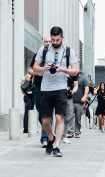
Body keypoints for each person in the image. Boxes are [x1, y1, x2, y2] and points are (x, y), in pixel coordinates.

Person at [33, 26, 79, 157]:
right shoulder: (44, 49)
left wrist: (62, 70)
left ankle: (56, 146)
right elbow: (34, 68)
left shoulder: (69, 51)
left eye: (57, 40)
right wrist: (43, 69)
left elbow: (75, 70)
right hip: (46, 88)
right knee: (45, 120)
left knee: (59, 118)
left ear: (62, 38)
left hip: (60, 88)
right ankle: (51, 138)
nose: (54, 42)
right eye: (52, 39)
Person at [28, 36, 52, 147]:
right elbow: (29, 70)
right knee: (41, 114)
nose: (48, 43)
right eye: (46, 41)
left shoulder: (55, 57)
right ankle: (49, 133)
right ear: (42, 42)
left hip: (51, 88)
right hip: (38, 88)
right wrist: (38, 72)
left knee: (47, 114)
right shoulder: (38, 55)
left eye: (49, 41)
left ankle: (45, 138)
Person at [71, 71, 89, 138]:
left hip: (79, 102)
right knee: (70, 117)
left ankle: (77, 132)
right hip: (70, 101)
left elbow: (86, 88)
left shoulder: (83, 79)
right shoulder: (70, 78)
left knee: (78, 118)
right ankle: (70, 132)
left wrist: (85, 96)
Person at [63, 75, 78, 144]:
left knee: (67, 117)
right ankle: (56, 135)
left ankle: (64, 136)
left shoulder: (72, 74)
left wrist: (72, 91)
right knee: (58, 116)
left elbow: (75, 85)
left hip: (68, 97)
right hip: (58, 96)